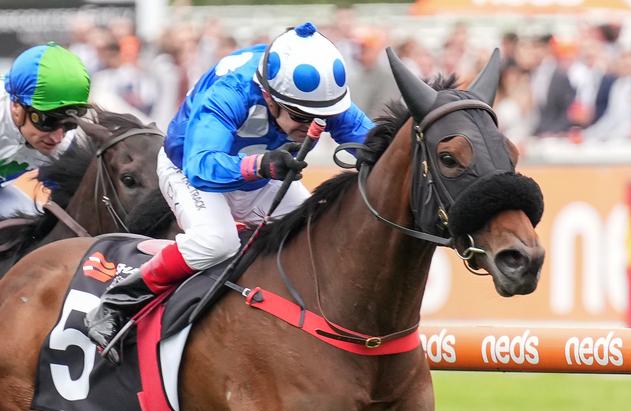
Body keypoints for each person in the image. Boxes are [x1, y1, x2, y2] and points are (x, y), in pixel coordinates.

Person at [85, 22, 374, 363]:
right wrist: (262, 166)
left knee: (314, 236)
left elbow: (368, 140)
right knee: (216, 241)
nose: (310, 126)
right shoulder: (231, 91)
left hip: (258, 174)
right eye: (299, 116)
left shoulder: (314, 94)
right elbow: (202, 166)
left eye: (321, 118)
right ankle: (117, 302)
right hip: (188, 170)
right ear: (269, 96)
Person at [0, 42, 90, 218]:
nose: (58, 137)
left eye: (69, 123)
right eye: (48, 121)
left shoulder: (66, 144)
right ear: (17, 107)